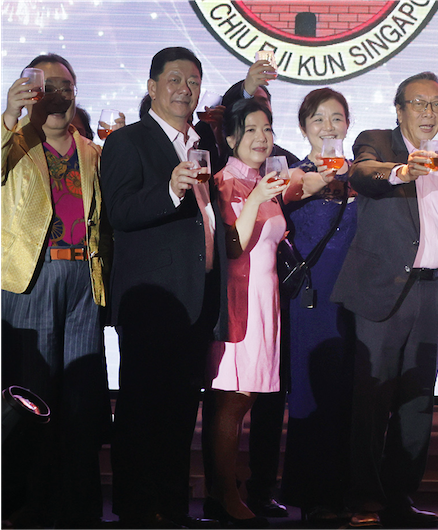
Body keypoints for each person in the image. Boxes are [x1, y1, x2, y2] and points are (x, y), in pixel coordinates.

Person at [101, 46, 227, 530]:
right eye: (174, 79)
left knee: (180, 413)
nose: (184, 88)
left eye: (193, 81)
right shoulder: (128, 142)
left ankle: (172, 507)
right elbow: (121, 213)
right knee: (140, 411)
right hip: (152, 299)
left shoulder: (206, 142)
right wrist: (171, 189)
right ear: (152, 87)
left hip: (197, 297)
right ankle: (136, 508)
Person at [332, 71, 438, 528]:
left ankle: (400, 495)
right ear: (400, 109)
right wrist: (404, 170)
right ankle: (365, 499)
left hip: (431, 292)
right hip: (382, 291)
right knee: (372, 398)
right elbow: (363, 174)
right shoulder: (378, 142)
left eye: (436, 105)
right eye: (419, 104)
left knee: (418, 401)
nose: (428, 113)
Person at [0, 54, 110, 530]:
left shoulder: (92, 152)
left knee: (80, 399)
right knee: (30, 397)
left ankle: (74, 504)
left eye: (66, 85)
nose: (58, 93)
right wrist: (8, 118)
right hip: (32, 278)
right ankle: (20, 502)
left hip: (84, 280)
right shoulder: (15, 143)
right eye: (46, 85)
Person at [203, 98, 294, 526]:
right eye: (252, 130)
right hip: (237, 303)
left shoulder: (263, 181)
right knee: (230, 404)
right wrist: (257, 196)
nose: (262, 137)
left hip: (265, 302)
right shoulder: (225, 182)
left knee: (246, 400)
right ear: (233, 137)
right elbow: (233, 245)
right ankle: (224, 494)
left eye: (268, 129)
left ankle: (224, 492)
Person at [279, 87, 358, 523]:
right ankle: (312, 495)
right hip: (312, 301)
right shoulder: (295, 176)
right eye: (318, 120)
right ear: (304, 128)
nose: (328, 128)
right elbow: (288, 200)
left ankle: (345, 491)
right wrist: (321, 178)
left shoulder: (362, 175)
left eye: (336, 119)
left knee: (348, 395)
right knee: (312, 394)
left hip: (356, 300)